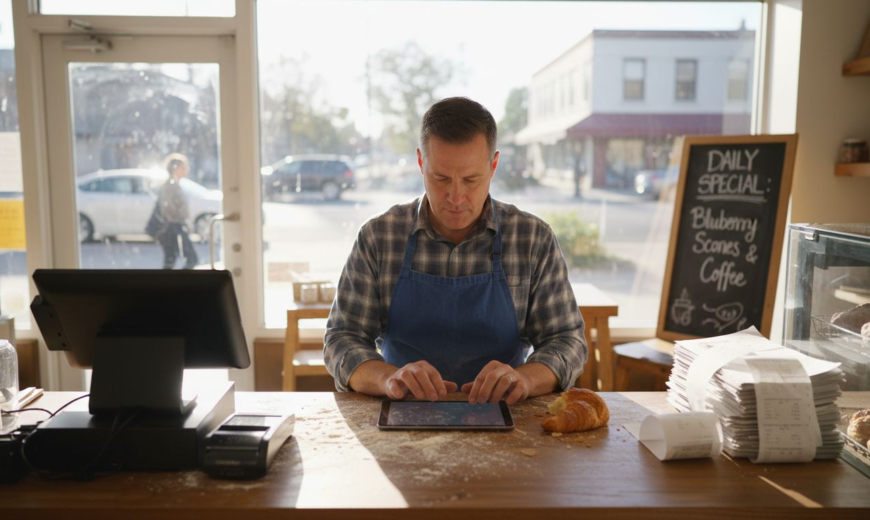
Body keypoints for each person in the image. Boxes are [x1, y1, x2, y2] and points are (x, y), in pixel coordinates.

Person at [324, 97, 586, 406]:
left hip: (508, 415)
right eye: (441, 178)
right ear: (421, 163)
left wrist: (525, 378)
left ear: (493, 166)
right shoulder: (379, 237)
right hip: (403, 412)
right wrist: (387, 377)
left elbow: (568, 340)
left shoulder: (531, 239)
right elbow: (341, 339)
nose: (456, 197)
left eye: (471, 179)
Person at [156, 153, 199, 270]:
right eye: (183, 167)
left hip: (176, 226)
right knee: (184, 259)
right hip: (172, 227)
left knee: (173, 259)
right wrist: (179, 219)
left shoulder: (175, 184)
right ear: (175, 168)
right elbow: (167, 207)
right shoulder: (170, 185)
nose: (186, 170)